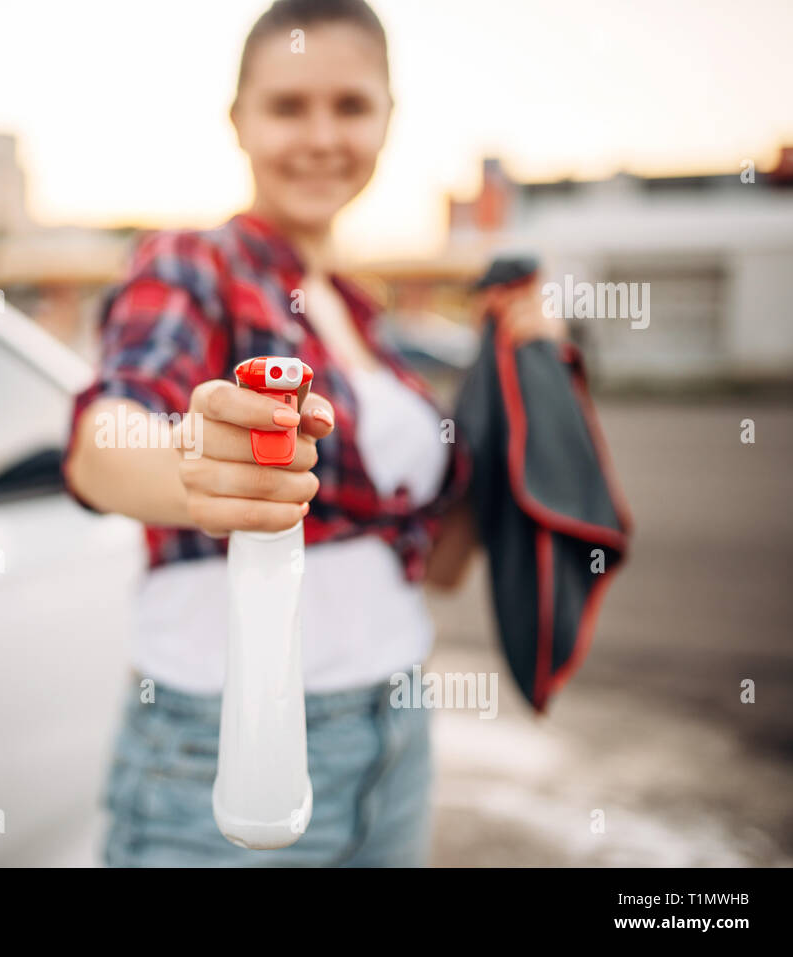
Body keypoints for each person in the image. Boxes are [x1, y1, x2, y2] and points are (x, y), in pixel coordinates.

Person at [61, 0, 564, 867]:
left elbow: (441, 567)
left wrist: (520, 388)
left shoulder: (369, 322)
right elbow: (107, 441)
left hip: (395, 722)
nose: (321, 136)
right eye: (288, 107)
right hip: (219, 741)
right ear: (240, 122)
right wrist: (192, 465)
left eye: (351, 106)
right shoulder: (191, 263)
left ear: (388, 121)